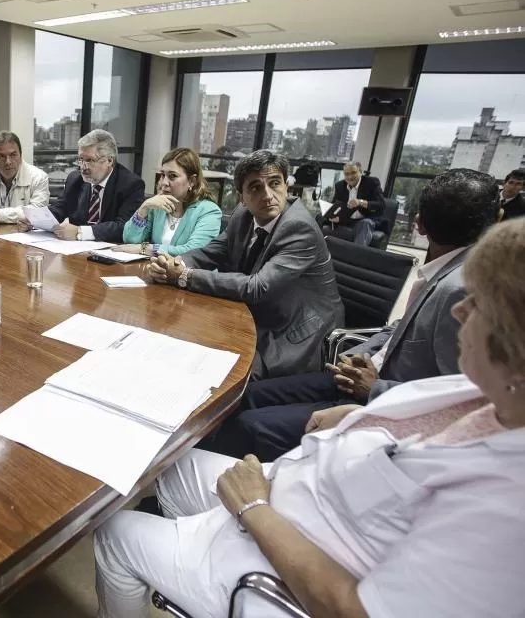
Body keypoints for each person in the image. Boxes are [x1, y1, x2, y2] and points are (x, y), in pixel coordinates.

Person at [94, 218, 525, 618]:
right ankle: (185, 553)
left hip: (284, 555)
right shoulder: (488, 392)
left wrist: (254, 509)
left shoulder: (507, 505)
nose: (459, 312)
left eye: (480, 305)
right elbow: (423, 430)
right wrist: (360, 413)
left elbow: (356, 610)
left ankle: (194, 563)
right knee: (171, 466)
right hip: (297, 496)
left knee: (115, 532)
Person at [206, 168, 502, 461]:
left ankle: (216, 481)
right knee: (247, 395)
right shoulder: (445, 272)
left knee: (251, 426)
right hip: (359, 376)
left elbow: (462, 397)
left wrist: (375, 388)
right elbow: (402, 328)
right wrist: (362, 354)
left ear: (419, 225)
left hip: (386, 404)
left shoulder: (462, 290)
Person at [148, 150, 343, 380]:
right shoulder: (243, 215)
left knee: (219, 374)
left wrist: (184, 275)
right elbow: (212, 253)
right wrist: (173, 263)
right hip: (253, 315)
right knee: (181, 343)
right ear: (242, 197)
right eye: (255, 187)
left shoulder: (300, 228)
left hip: (294, 333)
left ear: (286, 186)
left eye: (274, 183)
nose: (268, 195)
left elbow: (257, 287)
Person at [20, 129, 144, 243]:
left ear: (109, 161)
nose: (83, 167)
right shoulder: (75, 179)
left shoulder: (131, 185)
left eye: (89, 160)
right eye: (80, 159)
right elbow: (60, 208)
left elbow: (124, 227)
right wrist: (35, 221)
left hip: (111, 253)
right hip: (76, 251)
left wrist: (80, 232)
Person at [115, 148, 221, 257]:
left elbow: (193, 252)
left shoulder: (209, 211)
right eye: (162, 175)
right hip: (155, 270)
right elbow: (129, 241)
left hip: (189, 273)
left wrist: (146, 248)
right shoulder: (158, 206)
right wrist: (143, 208)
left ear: (191, 181)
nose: (164, 183)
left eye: (172, 176)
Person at [321, 161, 385, 246]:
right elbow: (335, 206)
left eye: (353, 173)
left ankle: (356, 256)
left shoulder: (372, 183)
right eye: (347, 174)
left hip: (365, 218)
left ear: (360, 172)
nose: (350, 177)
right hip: (347, 219)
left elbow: (381, 205)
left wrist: (360, 202)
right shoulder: (340, 185)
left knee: (365, 223)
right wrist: (334, 216)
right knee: (319, 217)